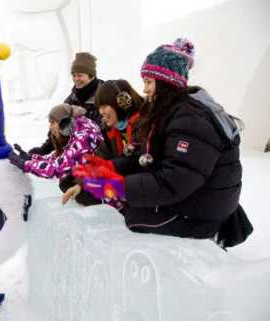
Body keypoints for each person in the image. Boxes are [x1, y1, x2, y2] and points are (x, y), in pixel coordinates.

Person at [66, 38, 252, 248]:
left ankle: (208, 242)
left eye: (148, 82)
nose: (144, 90)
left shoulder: (190, 120)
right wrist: (108, 167)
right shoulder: (171, 111)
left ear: (166, 83)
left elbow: (173, 182)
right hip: (198, 196)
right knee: (131, 206)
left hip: (204, 211)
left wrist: (115, 186)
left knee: (135, 217)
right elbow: (147, 158)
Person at [61, 79, 144, 206]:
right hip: (124, 180)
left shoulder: (144, 125)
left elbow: (134, 163)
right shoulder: (111, 129)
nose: (100, 112)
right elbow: (100, 157)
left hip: (139, 187)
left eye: (104, 106)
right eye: (99, 107)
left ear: (122, 102)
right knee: (70, 182)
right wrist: (80, 184)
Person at [29, 52, 104, 156]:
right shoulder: (71, 100)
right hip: (76, 152)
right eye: (74, 75)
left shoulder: (102, 96)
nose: (76, 79)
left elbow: (102, 130)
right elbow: (58, 126)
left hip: (100, 151)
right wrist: (44, 149)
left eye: (80, 75)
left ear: (91, 76)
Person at [9, 103, 103, 182]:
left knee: (66, 182)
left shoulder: (83, 138)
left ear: (65, 123)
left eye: (53, 122)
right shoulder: (77, 128)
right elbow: (59, 158)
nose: (50, 127)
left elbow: (56, 168)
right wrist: (31, 157)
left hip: (102, 187)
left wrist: (25, 164)